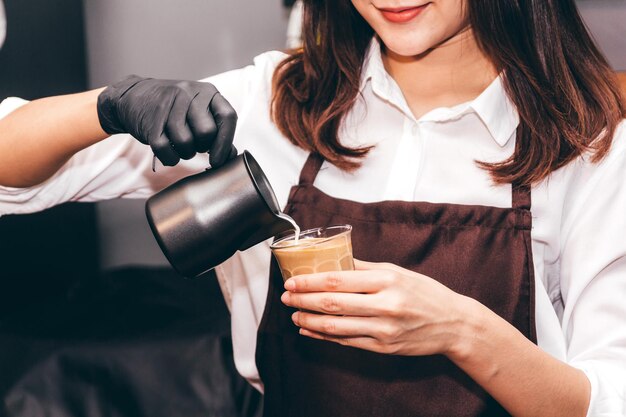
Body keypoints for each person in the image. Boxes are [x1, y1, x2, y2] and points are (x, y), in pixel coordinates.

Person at [1, 0, 625, 416]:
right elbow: (12, 181)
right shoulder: (270, 103)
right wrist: (109, 105)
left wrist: (463, 332)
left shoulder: (591, 141)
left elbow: (606, 399)